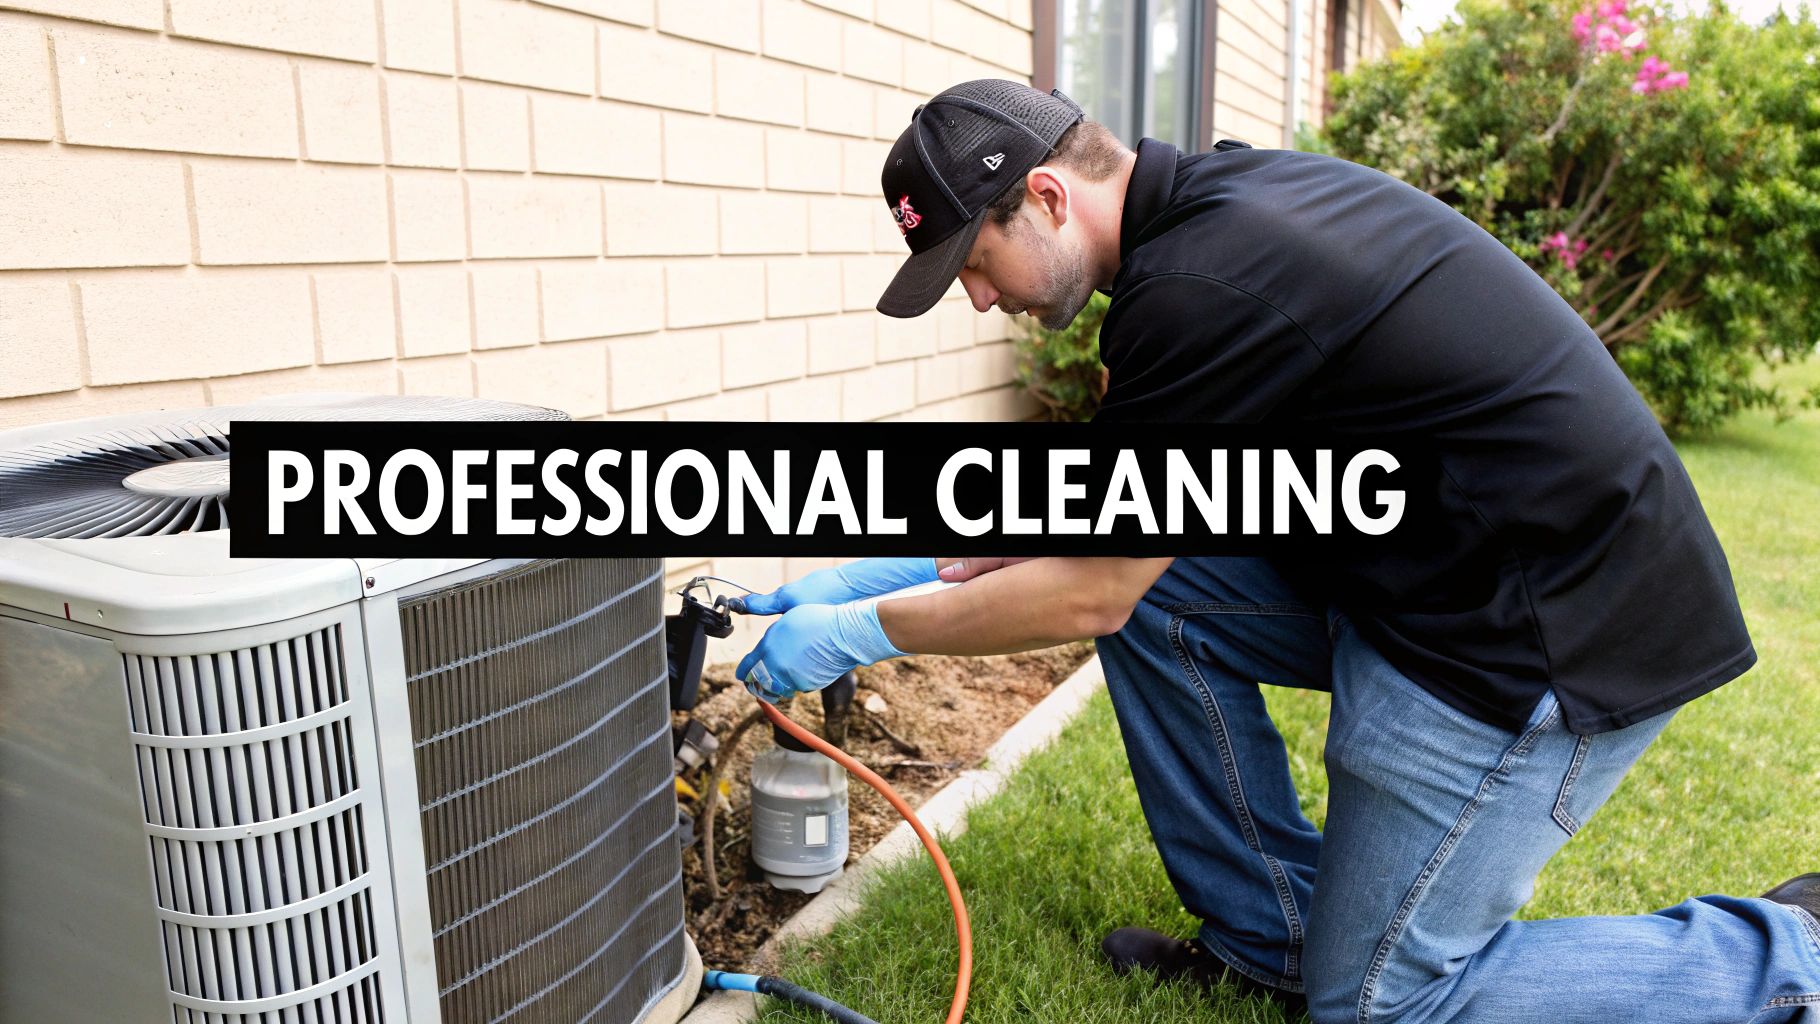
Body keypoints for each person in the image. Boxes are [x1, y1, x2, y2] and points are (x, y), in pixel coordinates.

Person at [730, 79, 1820, 1024]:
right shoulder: (1209, 213)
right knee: (1174, 601)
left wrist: (858, 630)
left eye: (972, 260)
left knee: (1387, 1002)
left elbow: (1090, 592)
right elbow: (1107, 509)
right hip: (1444, 578)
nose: (976, 296)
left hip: (1544, 637)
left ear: (1047, 200)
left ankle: (1790, 950)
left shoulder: (1197, 287)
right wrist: (882, 565)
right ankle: (1271, 939)